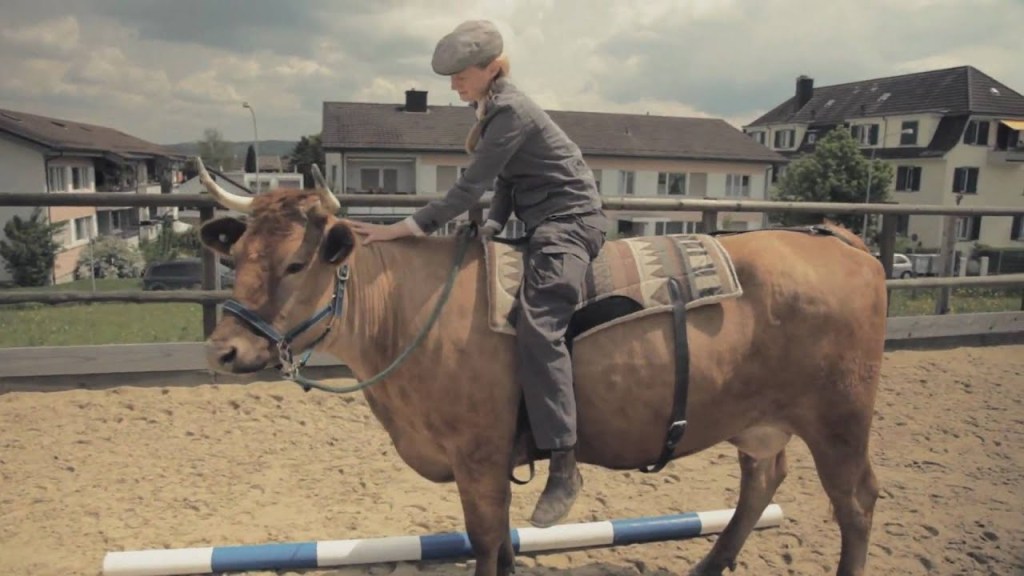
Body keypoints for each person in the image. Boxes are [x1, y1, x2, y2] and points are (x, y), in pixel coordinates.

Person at [348, 19, 607, 529]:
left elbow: (470, 186)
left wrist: (406, 228)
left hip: (568, 224)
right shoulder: (491, 107)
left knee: (539, 324)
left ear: (491, 69)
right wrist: (491, 224)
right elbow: (509, 179)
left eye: (461, 75)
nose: (454, 85)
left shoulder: (509, 110)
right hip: (540, 222)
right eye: (451, 77)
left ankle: (563, 464)